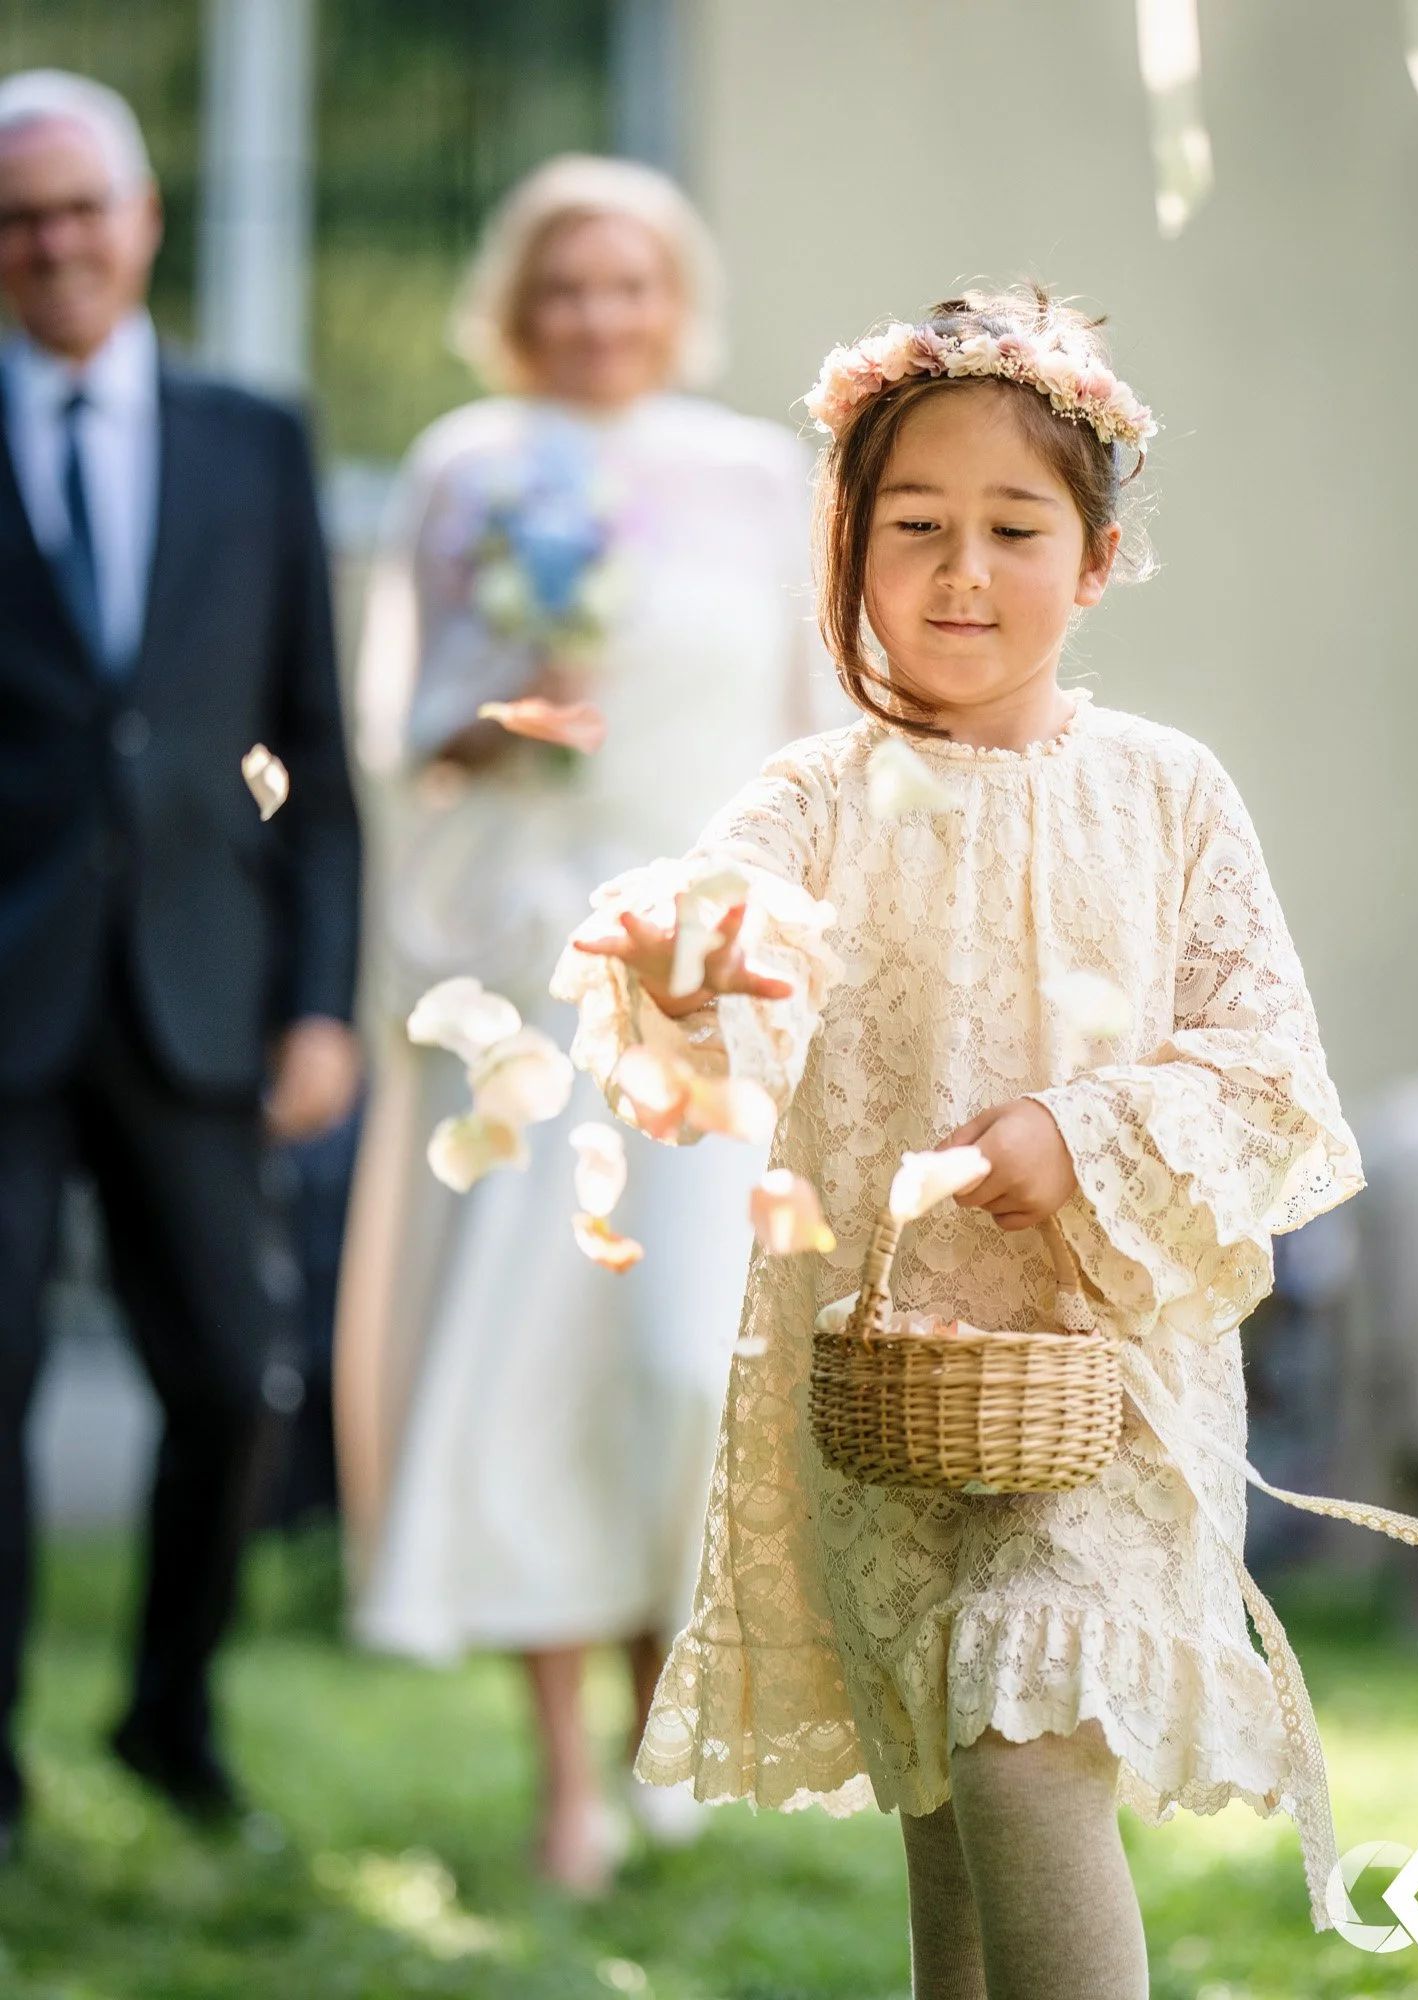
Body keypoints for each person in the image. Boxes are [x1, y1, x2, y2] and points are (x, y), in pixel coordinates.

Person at [552, 282, 1418, 1995]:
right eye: (918, 527)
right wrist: (679, 943)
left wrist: (1083, 1130)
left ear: (1096, 561)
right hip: (882, 1390)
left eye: (1015, 529)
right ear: (853, 549)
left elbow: (1270, 1075)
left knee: (1024, 1729)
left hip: (1109, 1383)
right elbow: (720, 932)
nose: (964, 574)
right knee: (952, 1798)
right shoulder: (810, 797)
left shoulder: (1173, 794)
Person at [336, 154, 834, 1894]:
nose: (596, 317)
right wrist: (507, 716)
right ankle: (563, 1773)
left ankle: (664, 1709)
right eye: (565, 288)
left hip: (705, 974)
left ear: (673, 296)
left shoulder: (764, 476)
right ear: (518, 306)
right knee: (525, 1361)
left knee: (684, 1356)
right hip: (531, 962)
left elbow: (806, 741)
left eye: (627, 284)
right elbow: (406, 734)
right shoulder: (465, 468)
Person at [0, 71, 362, 1857]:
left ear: (143, 222)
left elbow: (315, 745)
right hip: (0, 1002)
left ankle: (168, 1718)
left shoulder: (255, 436)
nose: (56, 241)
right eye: (21, 216)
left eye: (84, 207)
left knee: (233, 1380)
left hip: (204, 991)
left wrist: (320, 996)